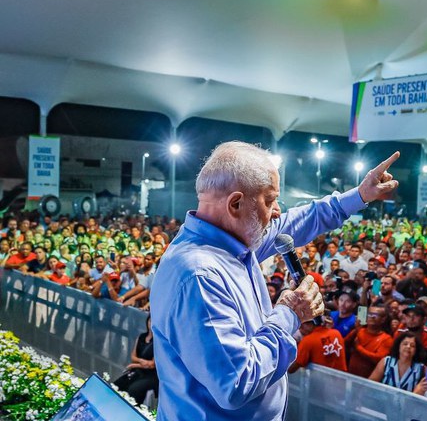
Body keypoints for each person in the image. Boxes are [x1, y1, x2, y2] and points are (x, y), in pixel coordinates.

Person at [150, 142, 399, 420]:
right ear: (235, 204)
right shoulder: (199, 274)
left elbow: (302, 220)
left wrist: (360, 195)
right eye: (269, 200)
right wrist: (289, 314)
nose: (277, 211)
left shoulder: (234, 243)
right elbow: (236, 383)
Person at [113, 315, 158, 405]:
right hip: (138, 371)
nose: (151, 324)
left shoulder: (158, 342)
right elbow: (133, 356)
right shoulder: (141, 336)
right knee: (117, 385)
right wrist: (142, 362)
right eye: (150, 321)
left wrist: (135, 365)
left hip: (151, 376)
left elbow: (152, 364)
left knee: (133, 390)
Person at [345, 301, 393, 378]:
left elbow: (378, 359)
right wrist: (356, 330)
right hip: (350, 375)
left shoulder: (386, 339)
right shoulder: (360, 330)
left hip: (369, 379)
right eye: (370, 314)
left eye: (376, 315)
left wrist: (359, 348)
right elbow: (344, 344)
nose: (372, 317)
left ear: (383, 319)